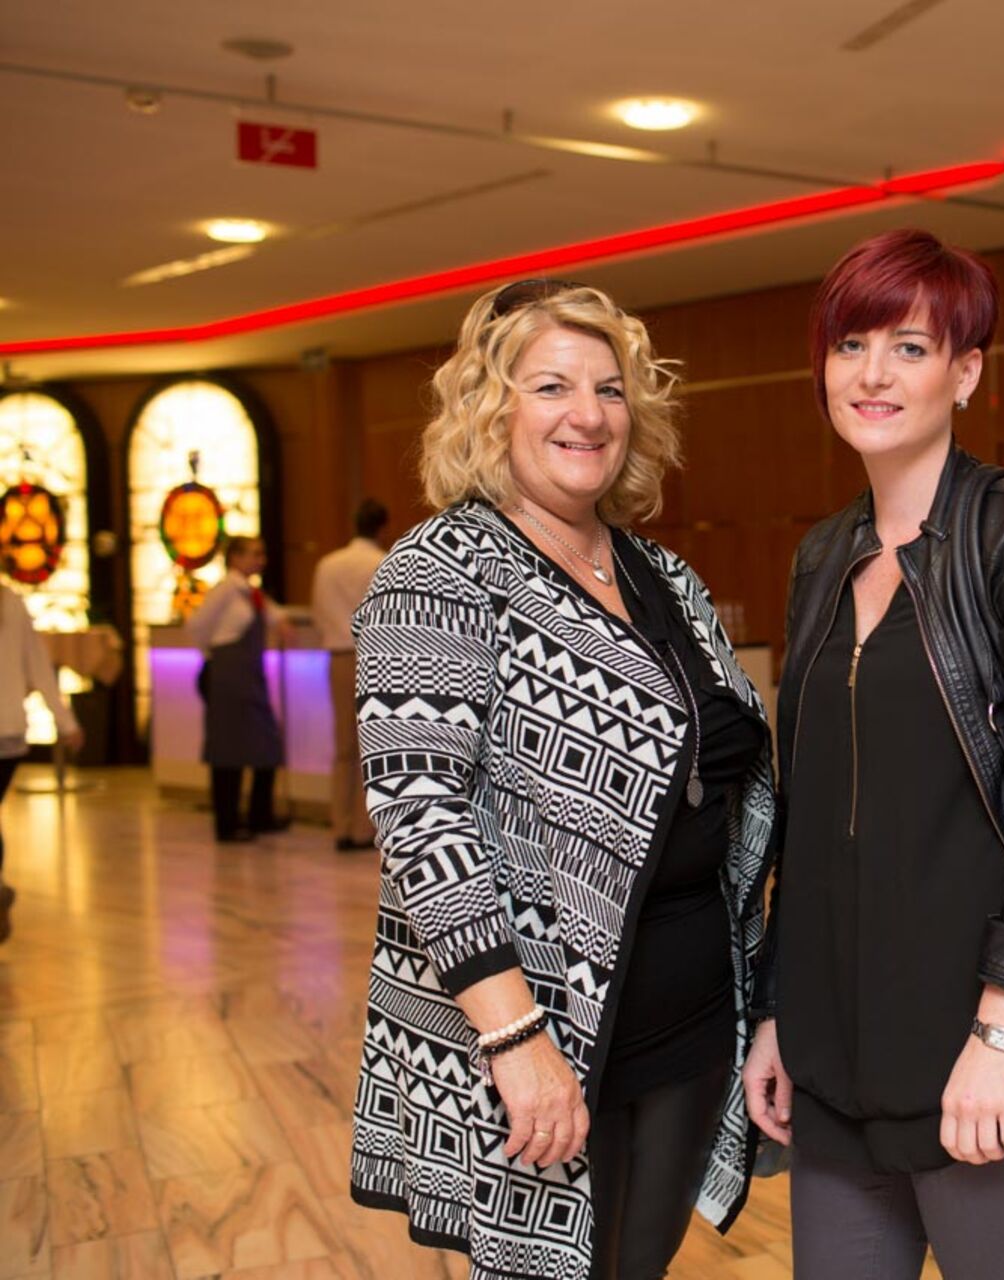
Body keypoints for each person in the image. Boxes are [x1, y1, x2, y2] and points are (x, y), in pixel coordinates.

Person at [347, 279, 776, 1280]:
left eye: (609, 389)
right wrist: (516, 1039)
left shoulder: (661, 574)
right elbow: (420, 817)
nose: (588, 413)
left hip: (690, 1017)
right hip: (547, 1026)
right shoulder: (440, 570)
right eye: (551, 386)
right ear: (490, 408)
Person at [741, 230, 1004, 1280]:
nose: (872, 373)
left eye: (909, 348)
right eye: (850, 344)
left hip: (984, 1056)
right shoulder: (822, 554)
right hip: (834, 1059)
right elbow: (806, 812)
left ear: (965, 372)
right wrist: (778, 1010)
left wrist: (1003, 1030)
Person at [186, 536, 288, 843]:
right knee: (228, 749)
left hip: (248, 675)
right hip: (228, 675)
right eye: (255, 554)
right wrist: (215, 656)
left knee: (263, 743)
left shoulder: (250, 592)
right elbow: (196, 626)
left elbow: (274, 614)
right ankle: (227, 822)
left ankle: (259, 815)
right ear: (235, 558)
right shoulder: (225, 590)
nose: (261, 560)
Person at [0, 586, 82, 943]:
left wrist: (65, 722)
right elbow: (38, 665)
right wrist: (65, 721)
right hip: (10, 731)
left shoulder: (13, 605)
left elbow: (35, 664)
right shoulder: (13, 602)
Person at [310, 498, 389, 851]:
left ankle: (339, 825)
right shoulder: (383, 561)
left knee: (343, 744)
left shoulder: (327, 565)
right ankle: (362, 828)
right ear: (382, 528)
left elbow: (319, 613)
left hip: (339, 657)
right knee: (372, 743)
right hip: (375, 656)